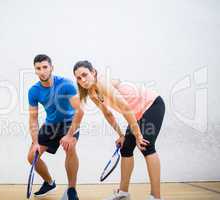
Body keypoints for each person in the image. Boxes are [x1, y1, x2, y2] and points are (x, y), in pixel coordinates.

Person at [72, 60, 165, 200]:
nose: (82, 80)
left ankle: (156, 197)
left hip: (151, 105)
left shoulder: (102, 84)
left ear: (93, 72)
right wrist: (121, 135)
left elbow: (125, 108)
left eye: (85, 74)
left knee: (146, 145)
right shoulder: (91, 92)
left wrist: (138, 135)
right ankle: (123, 194)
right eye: (78, 78)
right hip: (136, 113)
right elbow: (108, 114)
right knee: (126, 147)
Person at [27, 54, 84, 200]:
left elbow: (80, 110)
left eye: (45, 67)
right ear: (35, 71)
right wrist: (35, 143)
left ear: (52, 67)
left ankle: (72, 190)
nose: (42, 71)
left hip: (69, 122)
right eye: (38, 68)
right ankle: (49, 182)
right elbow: (33, 119)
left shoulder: (66, 84)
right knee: (31, 156)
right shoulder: (34, 91)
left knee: (70, 147)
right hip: (51, 125)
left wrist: (70, 134)